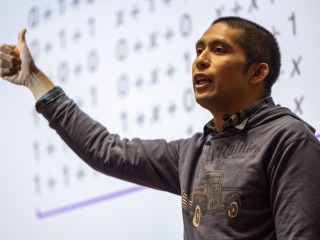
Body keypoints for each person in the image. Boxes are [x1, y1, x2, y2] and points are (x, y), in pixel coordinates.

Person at [1, 16, 319, 239]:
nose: (200, 60)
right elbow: (105, 151)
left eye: (219, 50)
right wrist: (33, 79)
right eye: (198, 51)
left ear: (257, 72)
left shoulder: (289, 139)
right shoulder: (192, 152)